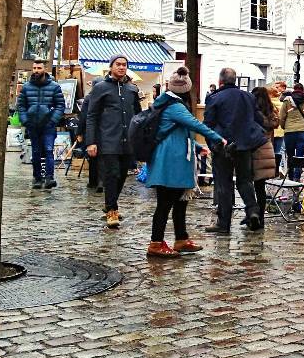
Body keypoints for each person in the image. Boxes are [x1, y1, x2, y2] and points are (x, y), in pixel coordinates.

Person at [144, 67, 226, 257]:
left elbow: (180, 133)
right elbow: (195, 124)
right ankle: (156, 243)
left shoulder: (167, 103)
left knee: (181, 201)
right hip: (170, 162)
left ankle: (181, 238)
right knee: (165, 203)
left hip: (175, 158)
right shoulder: (175, 106)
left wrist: (198, 147)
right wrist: (217, 138)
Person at [204, 67, 265, 234]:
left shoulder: (214, 98)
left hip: (223, 146)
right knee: (245, 180)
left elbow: (208, 125)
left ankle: (223, 223)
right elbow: (258, 119)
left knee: (224, 184)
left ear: (220, 81)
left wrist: (212, 146)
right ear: (235, 80)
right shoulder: (248, 97)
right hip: (244, 146)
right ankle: (252, 210)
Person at [85, 54, 141, 228]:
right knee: (112, 174)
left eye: (124, 65)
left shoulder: (132, 90)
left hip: (127, 140)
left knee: (123, 175)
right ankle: (111, 210)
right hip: (107, 139)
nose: (121, 67)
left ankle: (111, 203)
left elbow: (138, 115)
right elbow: (92, 116)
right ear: (111, 67)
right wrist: (91, 141)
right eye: (118, 64)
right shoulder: (100, 88)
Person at [16, 60, 65, 190]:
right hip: (32, 124)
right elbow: (21, 105)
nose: (36, 70)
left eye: (39, 68)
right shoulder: (26, 87)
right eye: (34, 68)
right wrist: (25, 120)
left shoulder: (54, 86)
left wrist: (53, 119)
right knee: (36, 151)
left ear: (45, 69)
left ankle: (49, 177)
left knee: (49, 150)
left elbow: (60, 105)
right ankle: (37, 178)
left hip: (48, 124)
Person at [250, 86, 278, 227]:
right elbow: (275, 124)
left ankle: (252, 214)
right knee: (260, 187)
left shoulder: (252, 113)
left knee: (247, 185)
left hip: (252, 150)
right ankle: (260, 218)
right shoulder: (271, 112)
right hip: (267, 150)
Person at [277, 83, 304, 180]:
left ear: (294, 89)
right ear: (303, 89)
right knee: (300, 156)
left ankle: (290, 177)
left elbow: (281, 117)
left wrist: (284, 126)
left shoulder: (287, 100)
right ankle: (297, 178)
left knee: (290, 155)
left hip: (289, 132)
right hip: (302, 132)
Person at [268, 79, 288, 174]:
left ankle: (270, 169)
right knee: (278, 150)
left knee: (269, 151)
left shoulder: (267, 104)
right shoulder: (282, 104)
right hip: (280, 130)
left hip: (270, 131)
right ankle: (277, 169)